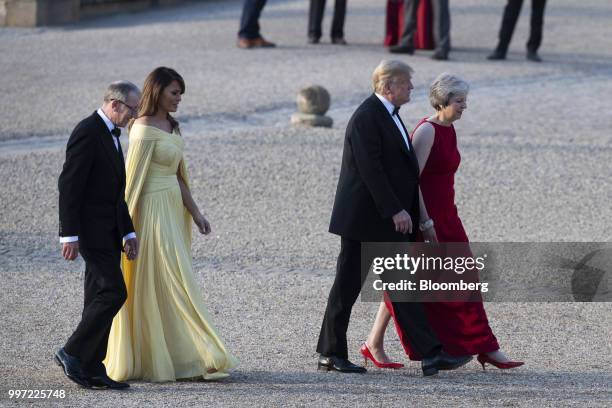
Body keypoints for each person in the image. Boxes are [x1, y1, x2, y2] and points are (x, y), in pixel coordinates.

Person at [316, 60, 472, 377]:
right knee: (346, 288)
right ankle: (331, 354)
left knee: (402, 287)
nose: (411, 88)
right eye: (405, 83)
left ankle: (431, 355)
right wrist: (396, 210)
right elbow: (370, 171)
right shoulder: (367, 117)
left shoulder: (388, 115)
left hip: (381, 219)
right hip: (364, 220)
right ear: (388, 86)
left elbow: (397, 170)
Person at [362, 73, 524, 371]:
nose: (464, 107)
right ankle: (487, 348)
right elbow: (412, 182)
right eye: (459, 101)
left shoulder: (449, 129)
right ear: (443, 101)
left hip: (448, 214)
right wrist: (425, 223)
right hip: (428, 218)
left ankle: (374, 342)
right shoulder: (427, 132)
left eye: (465, 101)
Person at [104, 67, 237, 382]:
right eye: (174, 92)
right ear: (158, 91)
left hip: (172, 211)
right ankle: (192, 351)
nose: (178, 99)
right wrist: (126, 230)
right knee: (169, 278)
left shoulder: (173, 127)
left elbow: (178, 177)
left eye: (180, 94)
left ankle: (183, 352)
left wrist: (197, 213)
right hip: (149, 212)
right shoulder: (142, 128)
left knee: (175, 278)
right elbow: (131, 183)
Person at [57, 81, 141, 389]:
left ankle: (93, 367)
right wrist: (69, 235)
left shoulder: (113, 135)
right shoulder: (88, 131)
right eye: (133, 109)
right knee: (114, 292)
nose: (135, 115)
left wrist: (128, 231)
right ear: (115, 104)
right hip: (90, 233)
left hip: (109, 231)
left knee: (96, 297)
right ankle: (71, 351)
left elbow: (116, 192)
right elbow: (69, 185)